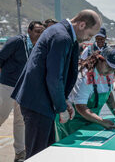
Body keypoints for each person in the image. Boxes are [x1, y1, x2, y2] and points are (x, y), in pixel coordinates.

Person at [11, 9, 101, 159]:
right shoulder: (61, 37)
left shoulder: (61, 33)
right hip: (38, 103)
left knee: (46, 152)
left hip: (40, 101)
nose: (88, 40)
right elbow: (54, 77)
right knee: (37, 156)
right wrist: (61, 107)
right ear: (82, 25)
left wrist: (63, 101)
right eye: (89, 35)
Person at [56, 47, 115, 140]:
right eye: (108, 66)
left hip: (91, 119)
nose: (110, 71)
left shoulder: (108, 74)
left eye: (113, 69)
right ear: (100, 60)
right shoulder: (85, 76)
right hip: (72, 120)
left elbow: (107, 93)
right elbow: (81, 107)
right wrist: (102, 121)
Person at [0, 21, 44, 162]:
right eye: (37, 31)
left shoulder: (39, 46)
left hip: (23, 89)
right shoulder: (17, 42)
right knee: (1, 116)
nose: (40, 34)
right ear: (29, 31)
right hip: (7, 86)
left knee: (20, 121)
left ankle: (20, 154)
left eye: (42, 31)